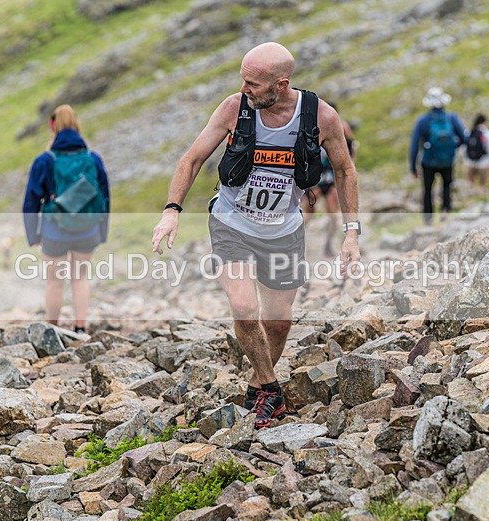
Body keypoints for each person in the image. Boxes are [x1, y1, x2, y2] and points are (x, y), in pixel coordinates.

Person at [152, 42, 360, 429]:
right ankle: (271, 389)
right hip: (232, 222)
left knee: (278, 322)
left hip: (284, 229)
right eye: (242, 79)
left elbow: (346, 172)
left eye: (253, 83)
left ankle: (257, 388)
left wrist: (351, 234)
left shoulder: (321, 117)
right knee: (245, 309)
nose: (243, 88)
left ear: (281, 84)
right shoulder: (234, 108)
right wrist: (171, 211)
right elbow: (192, 159)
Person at [23, 104, 110, 334]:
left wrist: (33, 235)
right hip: (88, 230)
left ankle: (53, 330)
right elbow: (104, 197)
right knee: (80, 278)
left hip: (55, 232)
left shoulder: (45, 160)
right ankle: (80, 328)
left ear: (53, 127)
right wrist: (102, 231)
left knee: (55, 282)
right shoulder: (93, 158)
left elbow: (31, 201)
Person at [303, 102, 357, 256]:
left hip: (330, 178)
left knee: (333, 215)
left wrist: (349, 169)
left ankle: (328, 245)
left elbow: (351, 149)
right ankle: (297, 241)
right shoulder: (309, 127)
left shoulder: (342, 127)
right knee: (309, 213)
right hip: (313, 179)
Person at [409, 87, 467, 224]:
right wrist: (453, 147)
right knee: (447, 185)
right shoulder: (452, 118)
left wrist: (413, 167)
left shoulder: (423, 121)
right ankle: (445, 211)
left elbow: (414, 145)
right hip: (448, 161)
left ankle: (428, 219)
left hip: (428, 162)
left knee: (428, 189)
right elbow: (464, 138)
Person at [462, 114, 489, 187]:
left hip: (469, 162)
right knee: (482, 185)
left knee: (469, 184)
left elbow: (464, 147)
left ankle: (470, 193)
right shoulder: (488, 133)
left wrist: (465, 161)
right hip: (483, 163)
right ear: (484, 122)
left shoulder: (468, 132)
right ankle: (481, 193)